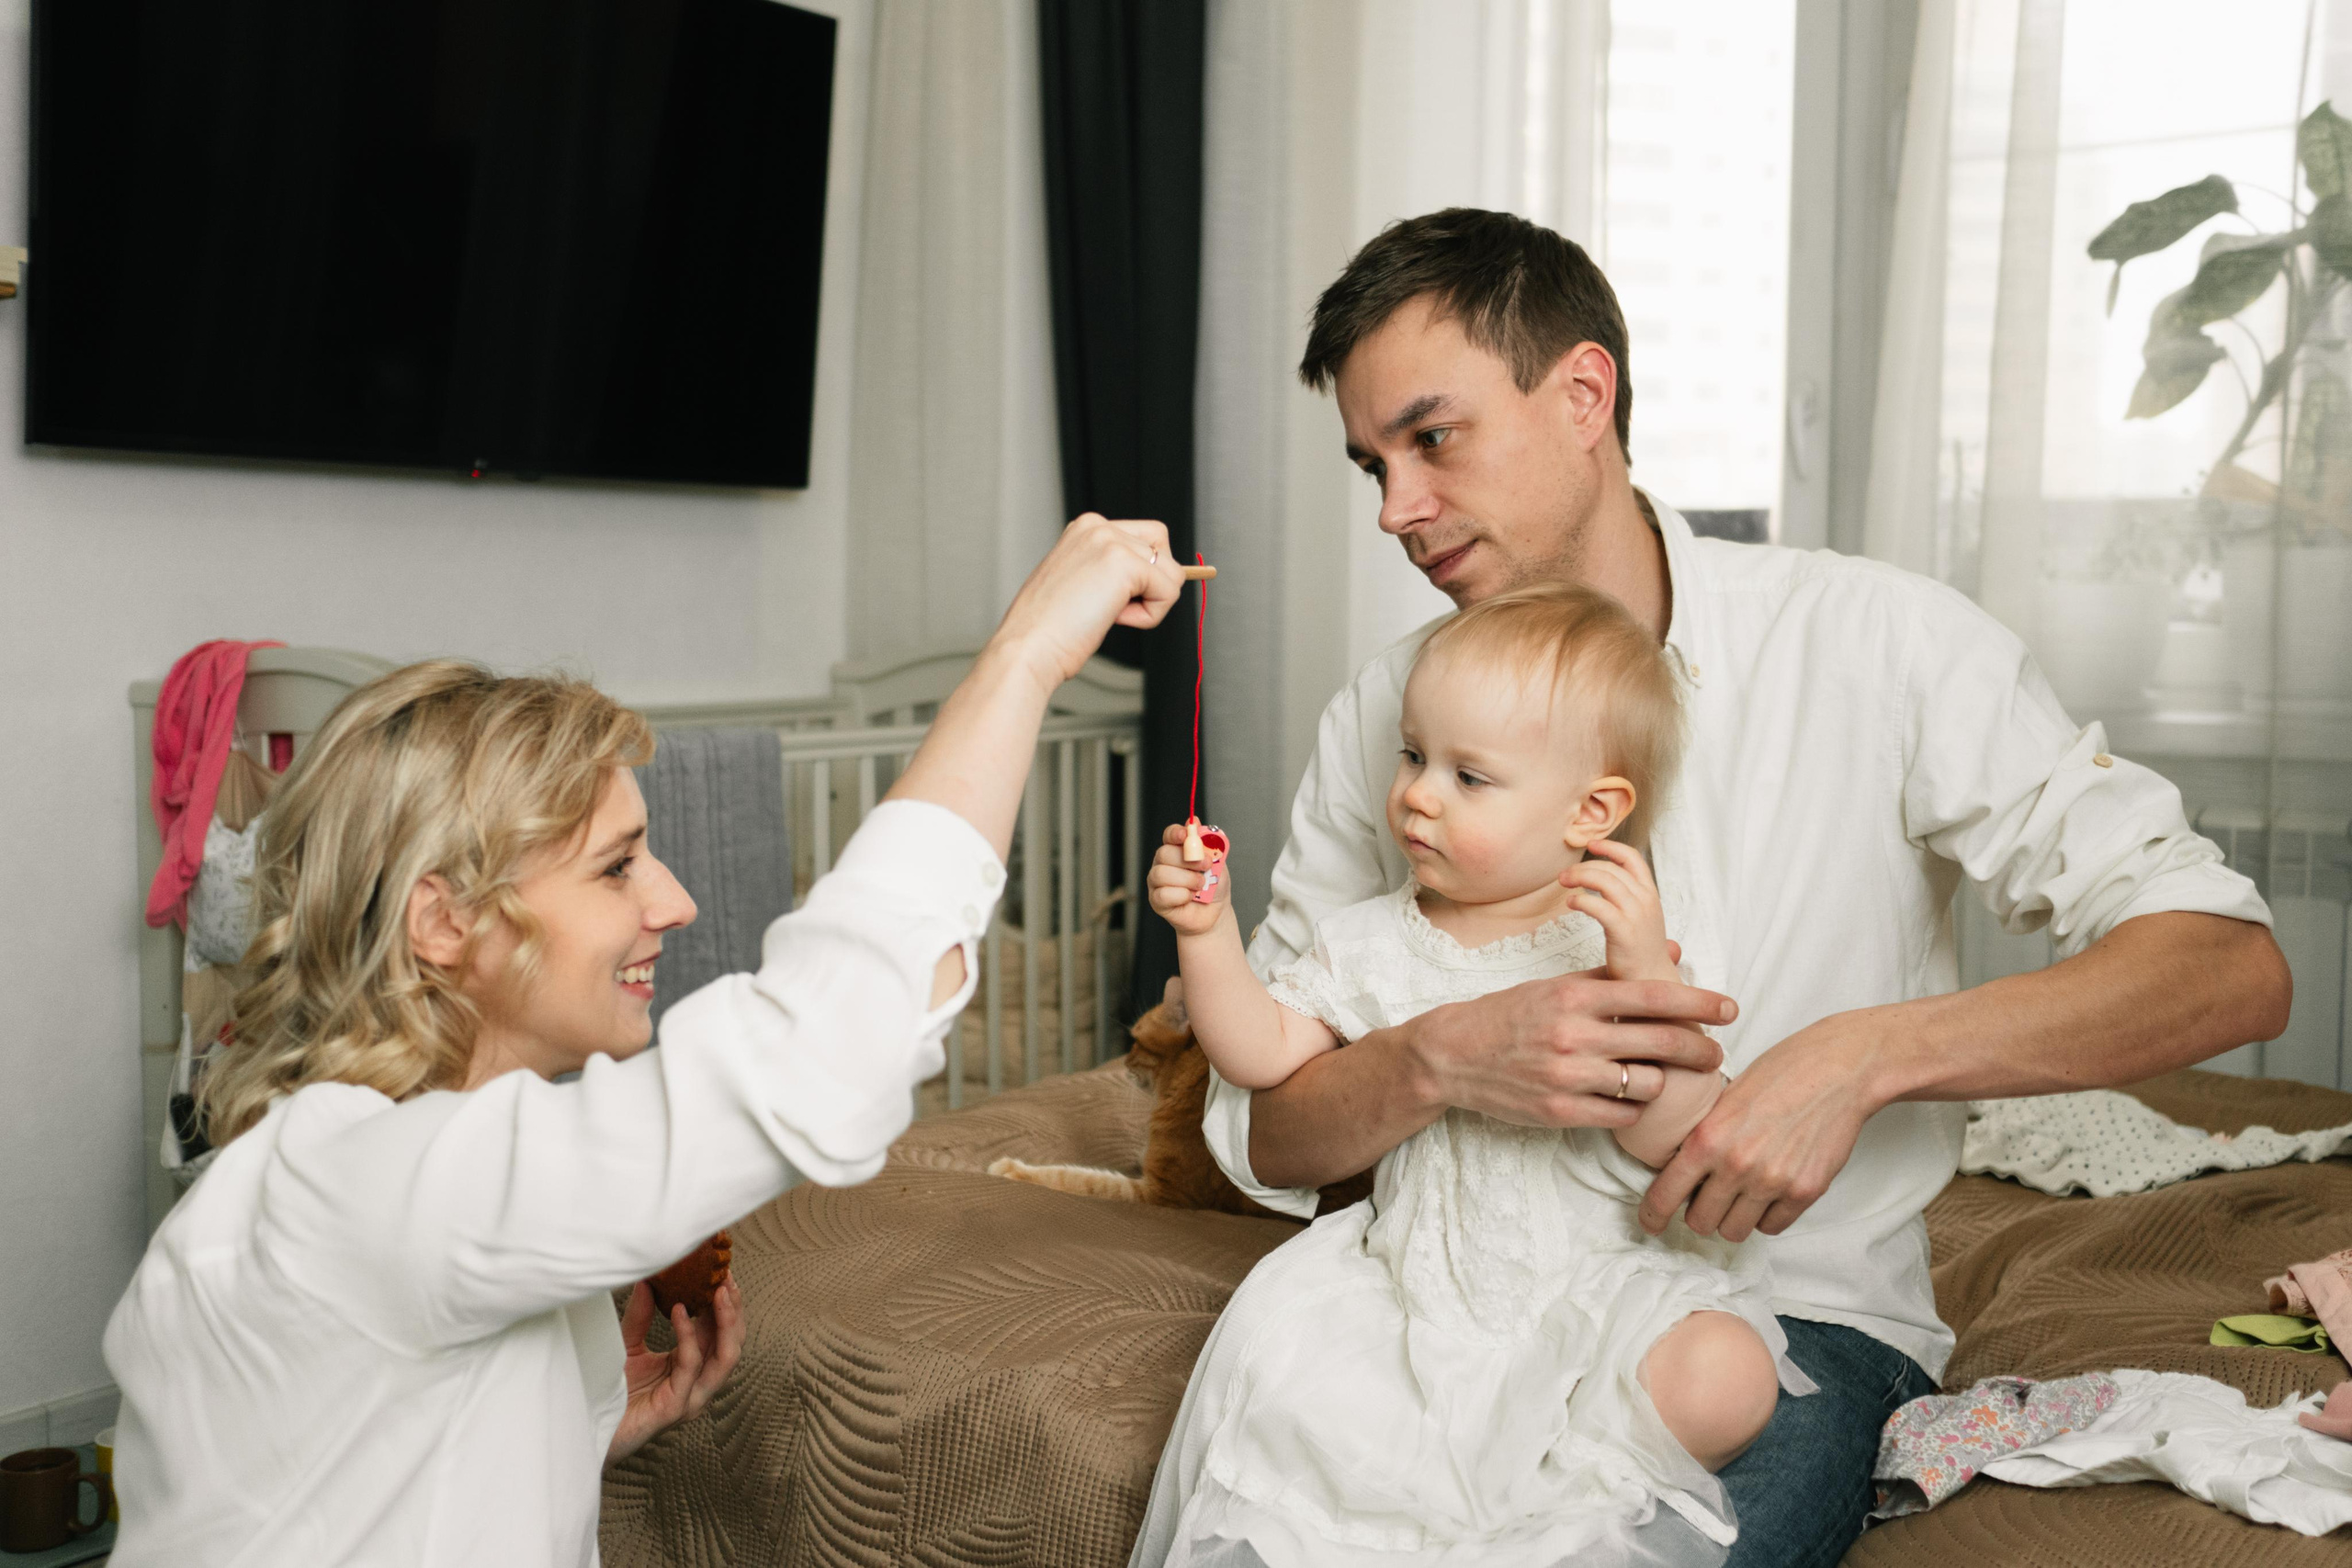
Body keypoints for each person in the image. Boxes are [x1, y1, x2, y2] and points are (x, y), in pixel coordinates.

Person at [1144, 209, 2290, 1568]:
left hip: (1795, 1316)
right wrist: (1440, 1061)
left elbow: (2230, 962)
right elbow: (1267, 1137)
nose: (1396, 510)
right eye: (1370, 463)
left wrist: (1862, 1056)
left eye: (1431, 439)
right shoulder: (1383, 719)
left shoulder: (1880, 641)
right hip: (1451, 1327)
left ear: (1584, 394)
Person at [102, 513, 1187, 1568]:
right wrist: (1024, 658)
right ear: (443, 922)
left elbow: (359, 1482)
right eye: (618, 865)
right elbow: (818, 1054)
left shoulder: (438, 1164)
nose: (674, 902)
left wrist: (575, 1433)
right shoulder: (349, 1180)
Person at [1142, 583, 1803, 1566]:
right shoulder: (1370, 941)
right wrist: (1208, 935)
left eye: (1469, 777)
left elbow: (1673, 1138)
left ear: (1593, 812)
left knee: (1728, 1378)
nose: (1417, 793)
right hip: (1420, 1287)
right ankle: (1457, 1466)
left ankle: (1557, 1472)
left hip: (1594, 1283)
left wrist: (1643, 976)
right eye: (1412, 755)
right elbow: (1261, 1054)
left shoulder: (1610, 950)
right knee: (1303, 1392)